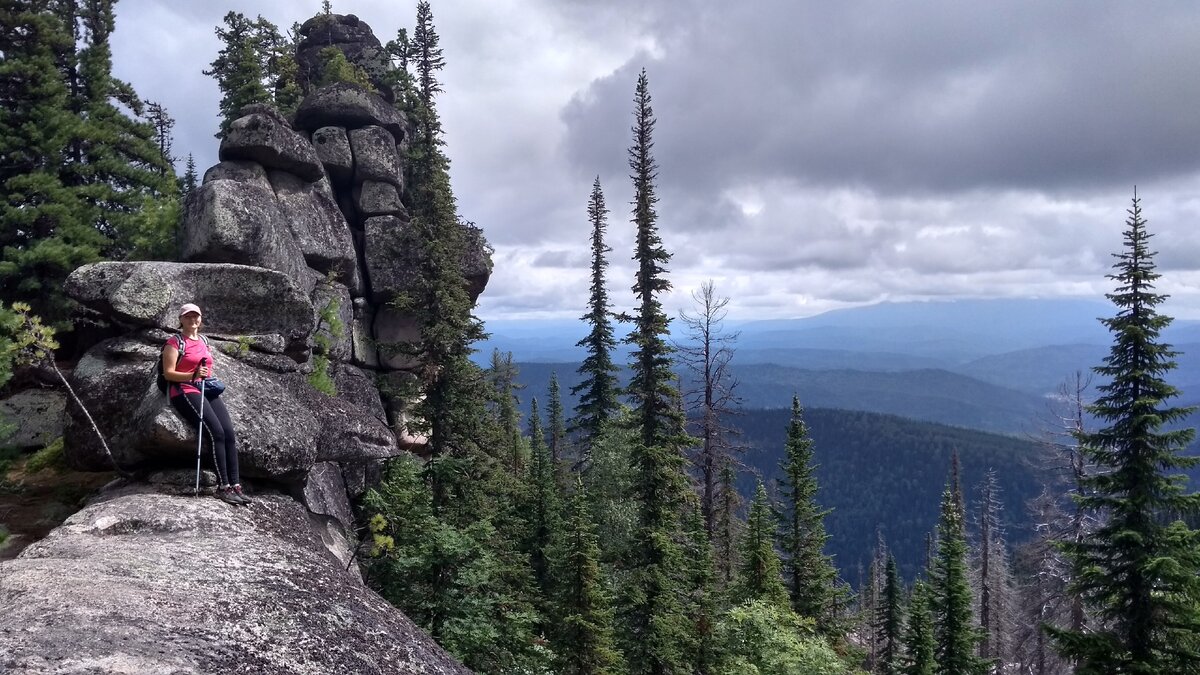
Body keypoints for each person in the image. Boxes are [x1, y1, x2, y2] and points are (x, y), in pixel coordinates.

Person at [162, 303, 250, 505]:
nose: (193, 320)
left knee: (229, 433)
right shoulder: (174, 343)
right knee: (215, 432)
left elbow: (207, 367)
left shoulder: (203, 340)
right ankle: (223, 487)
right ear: (181, 319)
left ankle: (236, 485)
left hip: (206, 389)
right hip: (184, 389)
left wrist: (202, 375)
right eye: (188, 317)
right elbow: (168, 373)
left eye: (196, 316)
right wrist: (192, 375)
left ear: (200, 319)